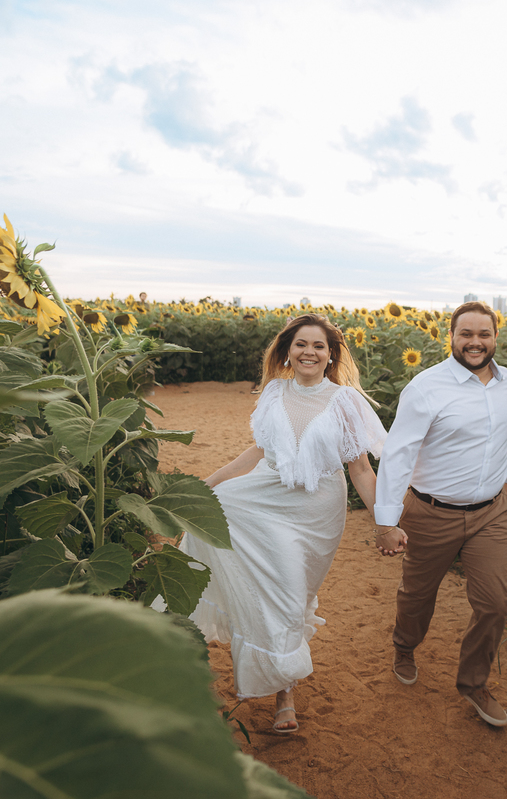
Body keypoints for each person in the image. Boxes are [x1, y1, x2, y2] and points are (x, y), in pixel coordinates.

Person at [178, 313, 387, 734]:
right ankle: (285, 693)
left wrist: (387, 521)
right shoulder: (274, 392)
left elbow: (361, 469)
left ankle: (279, 678)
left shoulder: (344, 401)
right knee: (274, 590)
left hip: (316, 514)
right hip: (263, 498)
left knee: (294, 595)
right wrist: (210, 484)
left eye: (318, 346)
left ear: (331, 355)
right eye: (301, 344)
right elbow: (259, 450)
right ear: (287, 351)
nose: (309, 352)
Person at [372, 301, 507, 727]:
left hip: (491, 513)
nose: (476, 342)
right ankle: (404, 645)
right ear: (451, 337)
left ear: (495, 338)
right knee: (418, 595)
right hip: (432, 512)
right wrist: (386, 521)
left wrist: (501, 480)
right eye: (466, 334)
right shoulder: (426, 387)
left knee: (494, 602)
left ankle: (474, 684)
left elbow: (498, 439)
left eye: (484, 335)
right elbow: (398, 454)